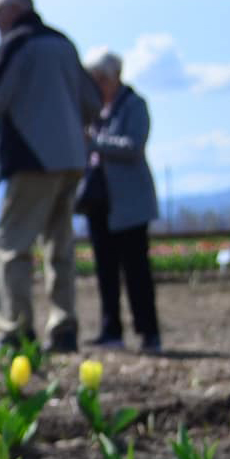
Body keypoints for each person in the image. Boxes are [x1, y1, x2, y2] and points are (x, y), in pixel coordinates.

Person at [0, 0, 101, 352]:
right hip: (71, 161)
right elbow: (92, 101)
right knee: (59, 245)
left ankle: (14, 329)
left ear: (14, 11)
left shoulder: (16, 45)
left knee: (11, 245)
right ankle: (64, 328)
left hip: (32, 159)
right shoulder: (64, 43)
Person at [82, 50, 161, 353]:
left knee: (136, 269)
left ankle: (148, 332)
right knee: (105, 269)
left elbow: (133, 144)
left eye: (97, 81)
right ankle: (110, 329)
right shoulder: (98, 110)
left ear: (110, 78)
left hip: (130, 203)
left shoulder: (134, 105)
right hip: (101, 202)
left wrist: (94, 142)